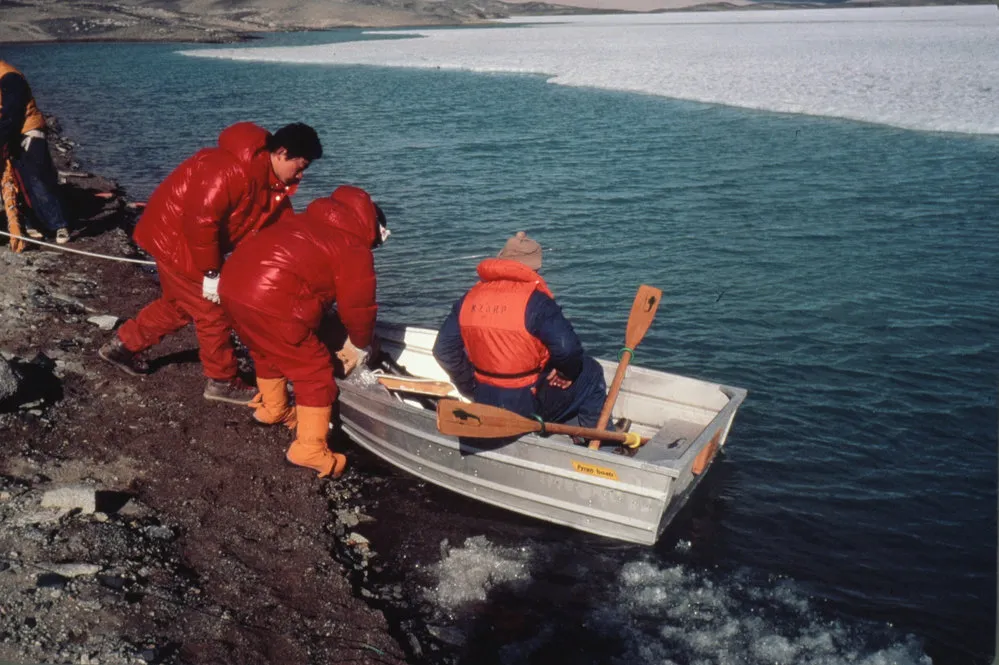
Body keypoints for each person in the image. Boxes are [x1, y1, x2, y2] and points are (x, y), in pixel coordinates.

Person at [98, 121, 322, 405]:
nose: (300, 175)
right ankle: (222, 380)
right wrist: (212, 272)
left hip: (188, 242)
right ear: (280, 153)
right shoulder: (229, 169)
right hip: (177, 240)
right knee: (214, 311)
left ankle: (122, 346)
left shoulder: (269, 180)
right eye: (299, 167)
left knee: (179, 305)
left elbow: (279, 225)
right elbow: (200, 223)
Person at [218, 185, 388, 478]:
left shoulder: (304, 221)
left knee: (266, 348)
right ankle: (308, 449)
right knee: (314, 370)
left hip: (232, 288)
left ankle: (274, 409)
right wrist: (360, 344)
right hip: (271, 300)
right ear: (373, 228)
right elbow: (358, 309)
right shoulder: (353, 247)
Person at [432, 231, 608, 436]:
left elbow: (443, 349)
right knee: (591, 371)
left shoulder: (468, 298)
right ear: (535, 268)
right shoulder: (537, 302)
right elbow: (567, 349)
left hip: (484, 396)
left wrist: (471, 386)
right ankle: (600, 443)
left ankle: (568, 424)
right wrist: (565, 373)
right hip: (525, 403)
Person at [0, 60, 71, 244]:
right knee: (17, 182)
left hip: (26, 130)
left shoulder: (9, 77)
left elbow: (13, 115)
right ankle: (33, 223)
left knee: (37, 179)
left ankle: (58, 225)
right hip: (9, 131)